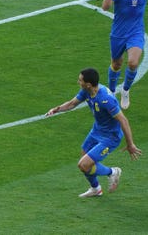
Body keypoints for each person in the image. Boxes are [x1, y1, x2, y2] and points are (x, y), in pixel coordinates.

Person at [45, 68, 142, 198]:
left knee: (83, 165)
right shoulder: (87, 91)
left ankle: (112, 172)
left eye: (80, 80)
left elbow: (123, 121)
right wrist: (56, 109)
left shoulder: (106, 100)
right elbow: (72, 104)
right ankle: (96, 189)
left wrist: (130, 144)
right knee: (84, 159)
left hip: (110, 137)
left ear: (88, 84)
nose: (78, 82)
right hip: (97, 130)